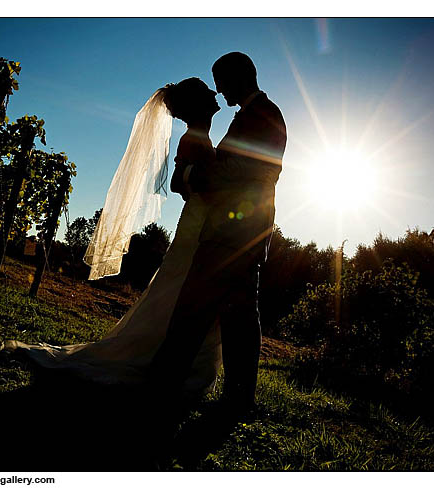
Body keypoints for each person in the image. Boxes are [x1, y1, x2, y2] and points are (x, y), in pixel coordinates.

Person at [2, 78, 225, 396]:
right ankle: (164, 358)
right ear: (196, 106)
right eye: (207, 93)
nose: (215, 95)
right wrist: (209, 184)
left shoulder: (201, 137)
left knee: (184, 290)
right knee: (180, 290)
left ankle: (181, 359)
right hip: (197, 225)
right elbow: (177, 183)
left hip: (203, 223)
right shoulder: (192, 139)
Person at [149, 52, 287, 419]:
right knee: (239, 317)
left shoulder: (264, 116)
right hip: (240, 232)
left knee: (194, 309)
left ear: (238, 76)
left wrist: (194, 176)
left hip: (235, 232)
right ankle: (238, 398)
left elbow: (243, 169)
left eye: (221, 80)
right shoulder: (252, 116)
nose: (219, 89)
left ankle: (164, 384)